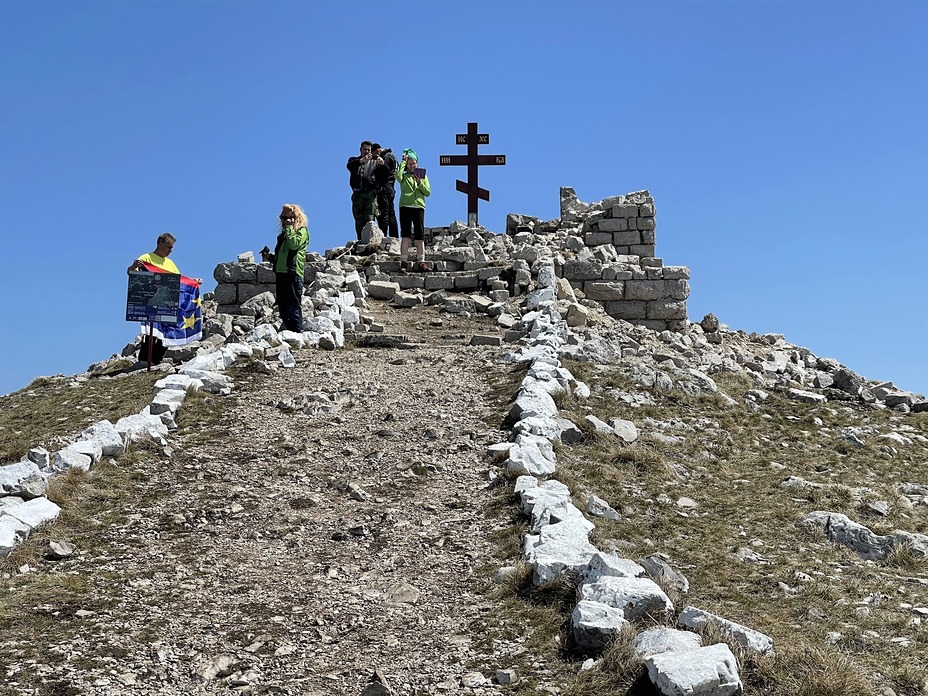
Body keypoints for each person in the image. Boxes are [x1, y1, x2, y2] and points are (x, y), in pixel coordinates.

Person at [127, 233, 202, 365]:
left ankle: (156, 360)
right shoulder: (146, 258)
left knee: (167, 330)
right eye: (169, 247)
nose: (171, 250)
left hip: (167, 303)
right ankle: (144, 360)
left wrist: (193, 281)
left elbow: (179, 280)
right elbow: (132, 274)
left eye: (172, 247)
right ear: (160, 243)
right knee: (150, 331)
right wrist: (133, 267)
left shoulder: (170, 263)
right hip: (151, 302)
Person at [265, 204, 310, 332]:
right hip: (281, 273)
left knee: (293, 305)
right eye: (282, 217)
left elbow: (294, 245)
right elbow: (282, 256)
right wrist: (270, 257)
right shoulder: (283, 235)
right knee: (283, 306)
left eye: (287, 218)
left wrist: (290, 228)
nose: (284, 221)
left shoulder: (302, 231)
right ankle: (290, 334)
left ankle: (297, 334)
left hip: (293, 273)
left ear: (296, 218)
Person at [397, 148, 431, 270]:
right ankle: (404, 261)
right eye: (409, 163)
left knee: (419, 235)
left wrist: (420, 183)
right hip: (405, 206)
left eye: (414, 163)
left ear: (417, 163)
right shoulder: (404, 175)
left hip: (419, 207)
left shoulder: (423, 176)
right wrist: (402, 162)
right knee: (405, 235)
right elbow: (397, 176)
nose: (412, 166)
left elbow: (427, 192)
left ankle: (421, 261)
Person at [346, 140, 383, 240]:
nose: (366, 151)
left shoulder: (375, 162)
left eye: (368, 150)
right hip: (357, 193)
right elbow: (349, 166)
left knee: (369, 218)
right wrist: (361, 161)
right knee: (358, 219)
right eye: (364, 149)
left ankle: (370, 240)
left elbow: (385, 173)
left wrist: (383, 164)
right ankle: (360, 240)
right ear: (360, 149)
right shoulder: (354, 160)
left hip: (370, 193)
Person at [371, 143, 399, 239]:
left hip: (385, 188)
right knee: (391, 212)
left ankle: (383, 236)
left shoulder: (385, 157)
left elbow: (384, 173)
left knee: (384, 213)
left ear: (377, 150)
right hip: (391, 187)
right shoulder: (393, 157)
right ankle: (394, 237)